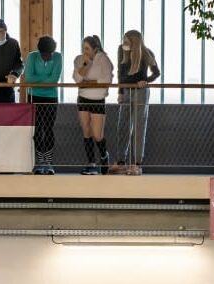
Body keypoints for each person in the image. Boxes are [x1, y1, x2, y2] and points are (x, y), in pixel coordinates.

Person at [113, 30, 160, 175]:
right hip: (126, 91)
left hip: (141, 93)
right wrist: (120, 93)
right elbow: (120, 72)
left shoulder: (146, 53)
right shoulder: (121, 50)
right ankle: (121, 162)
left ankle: (137, 164)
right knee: (123, 125)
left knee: (139, 127)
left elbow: (156, 72)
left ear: (134, 41)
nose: (124, 42)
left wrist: (146, 81)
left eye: (126, 40)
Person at [71, 35, 113, 174]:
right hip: (83, 98)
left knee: (97, 134)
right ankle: (91, 163)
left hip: (98, 100)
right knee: (86, 131)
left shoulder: (104, 60)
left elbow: (106, 80)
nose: (85, 51)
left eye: (87, 48)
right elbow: (77, 79)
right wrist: (86, 64)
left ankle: (104, 156)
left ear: (95, 49)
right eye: (83, 48)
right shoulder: (79, 59)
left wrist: (86, 83)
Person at [25, 36, 63, 174]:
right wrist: (46, 81)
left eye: (49, 54)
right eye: (44, 54)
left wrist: (38, 81)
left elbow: (55, 79)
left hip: (51, 97)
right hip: (33, 97)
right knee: (36, 128)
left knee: (48, 128)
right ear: (39, 51)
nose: (47, 57)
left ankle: (48, 161)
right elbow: (28, 77)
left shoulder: (58, 57)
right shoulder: (32, 57)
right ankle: (39, 160)